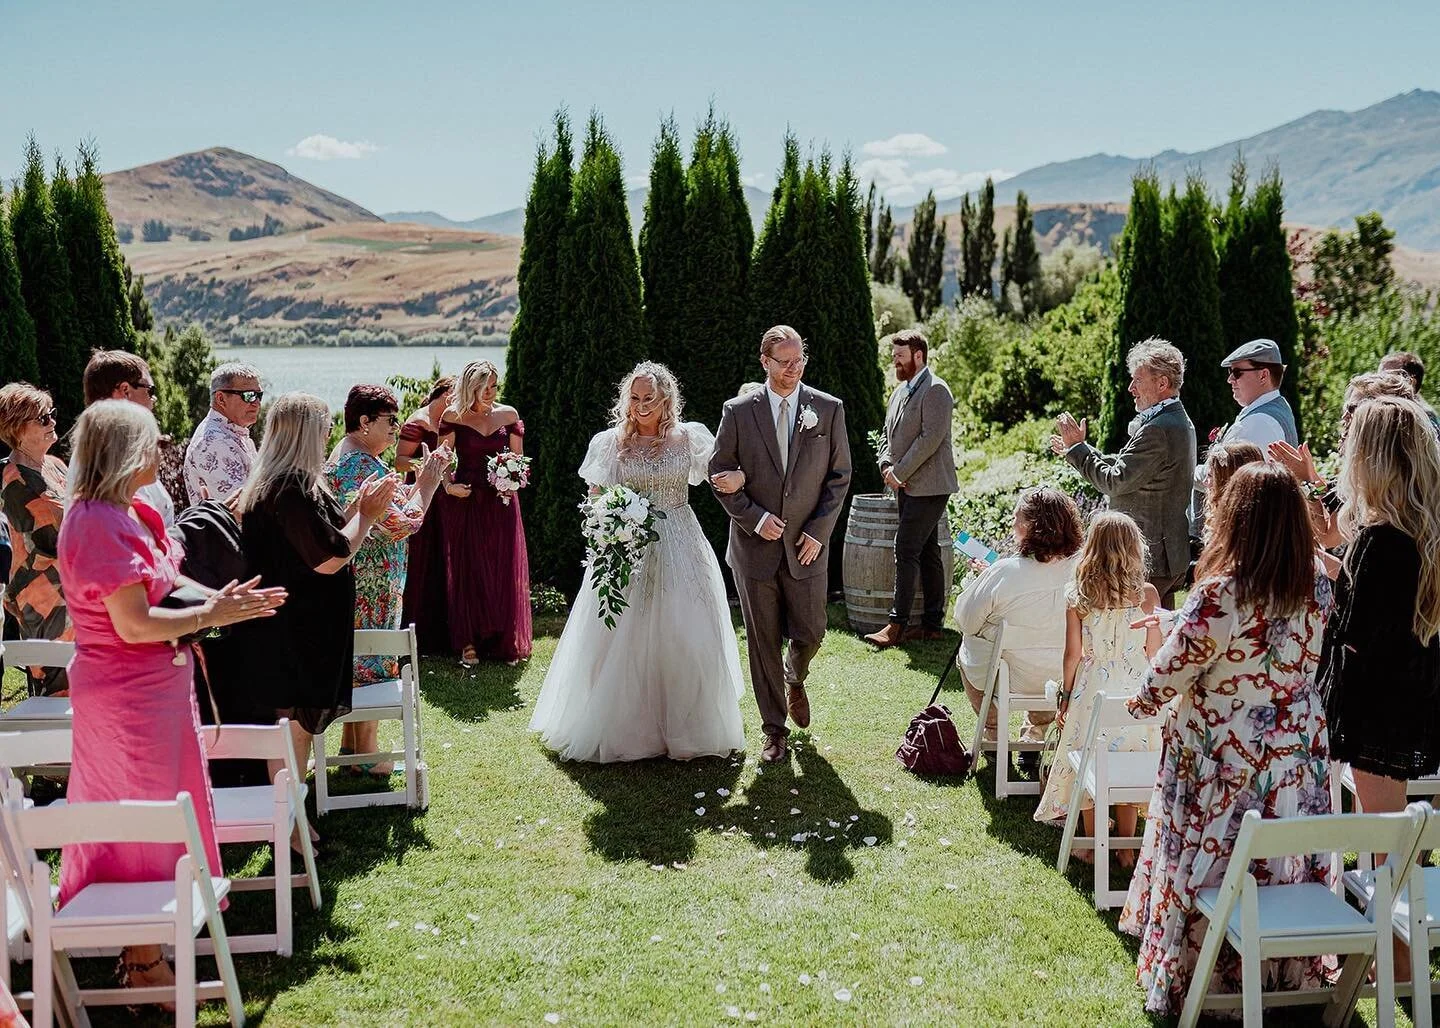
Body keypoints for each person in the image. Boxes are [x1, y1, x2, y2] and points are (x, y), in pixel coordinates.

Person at [56, 400, 283, 1000]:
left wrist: (223, 600)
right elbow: (131, 623)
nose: (165, 451)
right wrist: (213, 613)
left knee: (160, 809)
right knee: (142, 818)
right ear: (126, 452)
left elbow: (167, 582)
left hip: (156, 692)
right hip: (127, 701)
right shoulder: (96, 523)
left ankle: (145, 947)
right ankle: (144, 957)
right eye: (155, 442)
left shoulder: (126, 512)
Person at [1120, 463, 1334, 1016]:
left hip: (1221, 753)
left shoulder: (1222, 594)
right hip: (1295, 750)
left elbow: (1167, 675)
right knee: (1282, 859)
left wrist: (1140, 701)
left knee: (1209, 862)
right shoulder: (1319, 587)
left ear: (1237, 519)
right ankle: (1285, 976)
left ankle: (1207, 982)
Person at [531, 362, 747, 761]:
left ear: (666, 399)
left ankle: (687, 726)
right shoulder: (610, 442)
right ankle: (626, 727)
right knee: (619, 630)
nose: (641, 405)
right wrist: (607, 517)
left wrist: (740, 479)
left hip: (680, 537)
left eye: (649, 398)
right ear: (625, 399)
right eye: (635, 397)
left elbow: (720, 474)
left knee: (684, 627)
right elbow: (596, 494)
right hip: (626, 544)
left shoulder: (689, 438)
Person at [229, 393, 398, 791]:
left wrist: (357, 511)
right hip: (292, 627)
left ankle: (293, 819)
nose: (329, 436)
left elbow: (326, 538)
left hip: (300, 624)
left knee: (296, 726)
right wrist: (369, 516)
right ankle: (289, 824)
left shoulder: (291, 483)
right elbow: (329, 558)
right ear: (305, 434)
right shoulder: (289, 489)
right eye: (323, 429)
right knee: (292, 726)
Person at [709, 325, 853, 764]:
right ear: (765, 362)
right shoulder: (737, 412)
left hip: (808, 545)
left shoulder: (827, 409)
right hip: (754, 551)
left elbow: (839, 476)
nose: (794, 369)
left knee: (812, 630)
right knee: (762, 640)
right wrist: (754, 517)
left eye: (799, 361)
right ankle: (774, 731)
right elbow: (720, 475)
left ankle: (797, 674)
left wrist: (818, 531)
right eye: (784, 362)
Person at [1318, 397, 1440, 813]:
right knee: (1402, 829)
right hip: (1417, 693)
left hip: (1375, 707)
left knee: (1387, 839)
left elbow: (1357, 631)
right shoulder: (1423, 531)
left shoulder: (1381, 539)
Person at [327, 385, 449, 773]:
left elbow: (387, 511)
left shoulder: (345, 457)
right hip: (372, 582)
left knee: (360, 655)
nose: (397, 429)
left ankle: (351, 750)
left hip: (359, 575)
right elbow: (400, 523)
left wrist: (415, 487)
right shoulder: (362, 466)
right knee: (373, 657)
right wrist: (429, 483)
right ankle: (369, 754)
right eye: (390, 421)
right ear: (364, 422)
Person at [1033, 512, 1162, 850]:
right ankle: (1123, 850)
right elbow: (1154, 650)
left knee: (1089, 758)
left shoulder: (1080, 596)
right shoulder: (1147, 595)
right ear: (1134, 550)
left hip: (1092, 690)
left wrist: (1065, 696)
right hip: (1134, 690)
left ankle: (1092, 845)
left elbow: (1072, 654)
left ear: (1093, 548)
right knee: (1130, 760)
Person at [1053, 338, 1197, 604]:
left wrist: (1078, 450)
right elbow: (1127, 466)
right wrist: (1080, 449)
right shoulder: (1174, 419)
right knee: (1156, 636)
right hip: (1163, 554)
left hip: (1148, 556)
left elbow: (1115, 481)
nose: (1131, 388)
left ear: (1162, 383)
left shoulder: (1159, 428)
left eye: (1137, 381)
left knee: (1136, 638)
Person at [954, 488, 1082, 761]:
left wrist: (979, 582)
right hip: (1062, 677)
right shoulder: (1082, 571)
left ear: (1030, 526)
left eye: (1015, 518)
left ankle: (993, 733)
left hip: (1008, 679)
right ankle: (1033, 735)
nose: (1012, 524)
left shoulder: (1004, 572)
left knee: (967, 651)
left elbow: (965, 620)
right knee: (1049, 655)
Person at [865, 328, 958, 648]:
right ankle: (932, 624)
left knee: (905, 548)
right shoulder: (899, 392)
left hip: (930, 486)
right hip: (905, 485)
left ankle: (896, 625)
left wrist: (900, 471)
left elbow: (930, 440)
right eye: (894, 357)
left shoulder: (937, 391)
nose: (896, 362)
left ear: (919, 356)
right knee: (928, 551)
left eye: (900, 357)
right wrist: (885, 466)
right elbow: (888, 436)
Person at [438, 360, 532, 665]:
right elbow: (441, 460)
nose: (491, 392)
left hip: (502, 501)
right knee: (469, 567)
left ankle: (503, 639)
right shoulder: (453, 416)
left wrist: (513, 482)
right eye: (484, 386)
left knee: (502, 565)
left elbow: (520, 461)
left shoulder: (509, 415)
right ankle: (469, 642)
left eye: (494, 385)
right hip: (467, 500)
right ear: (471, 387)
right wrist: (448, 487)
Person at [1270, 370, 1418, 550]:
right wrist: (1310, 474)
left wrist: (1306, 481)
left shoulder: (1378, 475)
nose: (1344, 417)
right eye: (1345, 408)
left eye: (1352, 409)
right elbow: (1333, 502)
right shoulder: (1392, 465)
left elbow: (1326, 536)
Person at [0, 383, 72, 696]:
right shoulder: (12, 480)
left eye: (51, 414)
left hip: (77, 593)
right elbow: (56, 534)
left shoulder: (55, 465)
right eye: (43, 419)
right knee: (61, 692)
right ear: (16, 427)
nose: (52, 422)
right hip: (45, 598)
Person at [1190, 339, 1298, 536]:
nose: (1230, 380)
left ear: (1263, 375)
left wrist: (1185, 472)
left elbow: (1219, 476)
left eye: (1237, 373)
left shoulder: (1258, 422)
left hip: (1248, 533)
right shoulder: (1273, 409)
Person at [82, 349, 176, 527]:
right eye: (150, 390)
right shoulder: (113, 459)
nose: (154, 399)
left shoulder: (100, 449)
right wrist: (206, 519)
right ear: (125, 390)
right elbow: (143, 538)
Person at [397, 376, 455, 654]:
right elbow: (399, 461)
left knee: (444, 557)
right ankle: (416, 629)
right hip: (419, 493)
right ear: (445, 395)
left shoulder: (449, 422)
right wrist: (429, 464)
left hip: (444, 495)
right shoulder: (416, 422)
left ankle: (444, 629)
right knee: (422, 557)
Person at [183, 361, 261, 504]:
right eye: (249, 395)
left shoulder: (232, 433)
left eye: (259, 395)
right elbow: (241, 509)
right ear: (221, 399)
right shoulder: (215, 442)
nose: (256, 402)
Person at [1378, 350, 1440, 433]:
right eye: (1379, 377)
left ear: (1411, 383)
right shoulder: (1375, 413)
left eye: (1388, 378)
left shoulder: (1426, 420)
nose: (1378, 382)